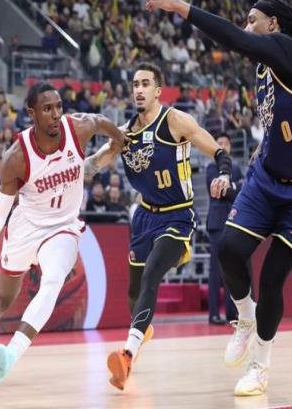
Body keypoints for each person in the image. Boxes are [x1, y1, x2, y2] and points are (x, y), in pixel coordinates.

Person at [146, 0, 292, 396]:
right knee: (229, 248)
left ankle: (260, 366)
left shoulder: (288, 53)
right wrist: (255, 161)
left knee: (272, 278)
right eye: (245, 21)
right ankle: (245, 318)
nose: (246, 27)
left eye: (252, 20)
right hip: (267, 177)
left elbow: (233, 39)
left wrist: (181, 7)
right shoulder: (263, 71)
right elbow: (276, 127)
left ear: (273, 24)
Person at [0, 81, 126, 390]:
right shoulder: (16, 158)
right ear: (32, 113)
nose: (55, 114)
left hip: (62, 227)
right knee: (1, 301)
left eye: (58, 107)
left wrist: (118, 138)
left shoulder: (77, 128)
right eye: (47, 109)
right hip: (26, 227)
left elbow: (101, 122)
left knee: (52, 281)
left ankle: (10, 355)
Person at [86, 62, 232, 391]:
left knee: (152, 273)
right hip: (144, 217)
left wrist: (224, 170)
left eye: (145, 84)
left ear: (158, 90)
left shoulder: (174, 120)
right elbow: (93, 165)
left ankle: (127, 354)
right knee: (134, 293)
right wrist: (64, 171)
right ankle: (142, 330)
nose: (138, 89)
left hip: (177, 216)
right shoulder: (123, 134)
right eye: (135, 84)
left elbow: (216, 149)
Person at [206, 133, 245, 325]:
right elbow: (219, 192)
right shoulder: (211, 167)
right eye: (219, 143)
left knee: (232, 268)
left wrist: (232, 188)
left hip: (233, 221)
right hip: (216, 223)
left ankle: (232, 313)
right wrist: (234, 187)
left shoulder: (236, 167)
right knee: (216, 270)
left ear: (230, 147)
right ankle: (213, 313)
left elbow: (243, 191)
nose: (222, 145)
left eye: (225, 143)